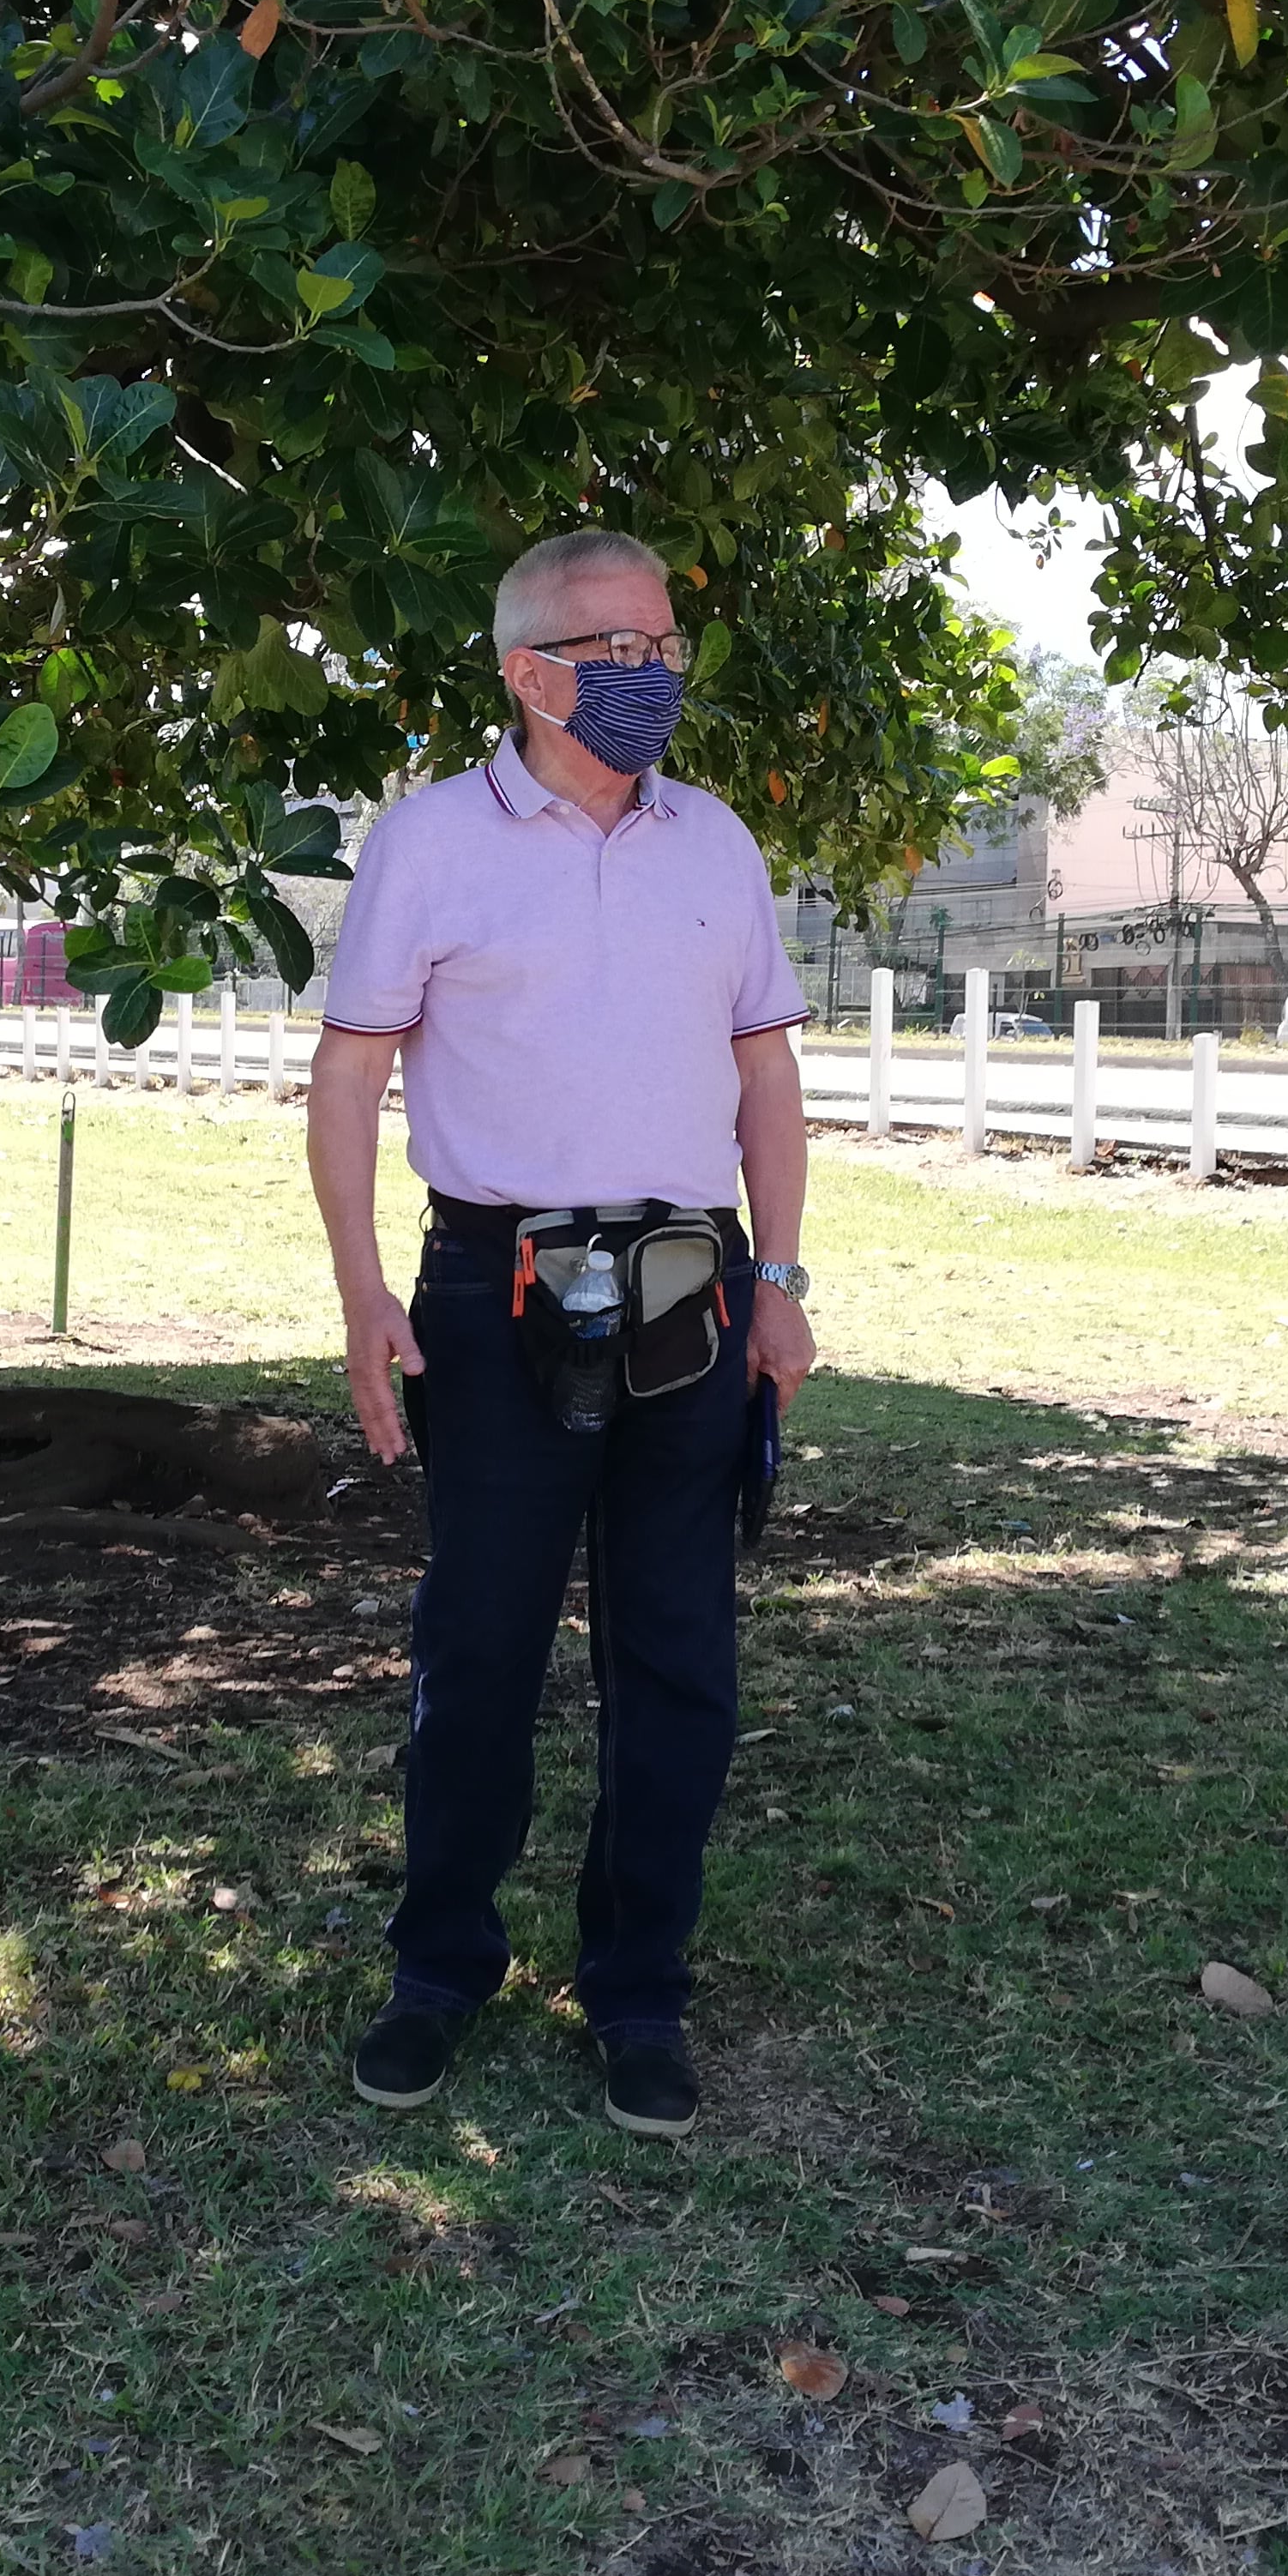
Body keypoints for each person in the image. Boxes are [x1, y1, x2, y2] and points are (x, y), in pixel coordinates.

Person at [307, 529, 816, 2139]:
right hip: (491, 1284)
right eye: (617, 652)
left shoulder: (715, 843)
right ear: (528, 673)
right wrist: (362, 1294)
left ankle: (639, 1992)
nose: (654, 676)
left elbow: (766, 1074)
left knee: (679, 1667)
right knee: (481, 1656)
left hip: (692, 1288)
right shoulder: (429, 845)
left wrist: (784, 1276)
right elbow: (348, 1077)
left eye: (670, 643)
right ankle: (439, 1974)